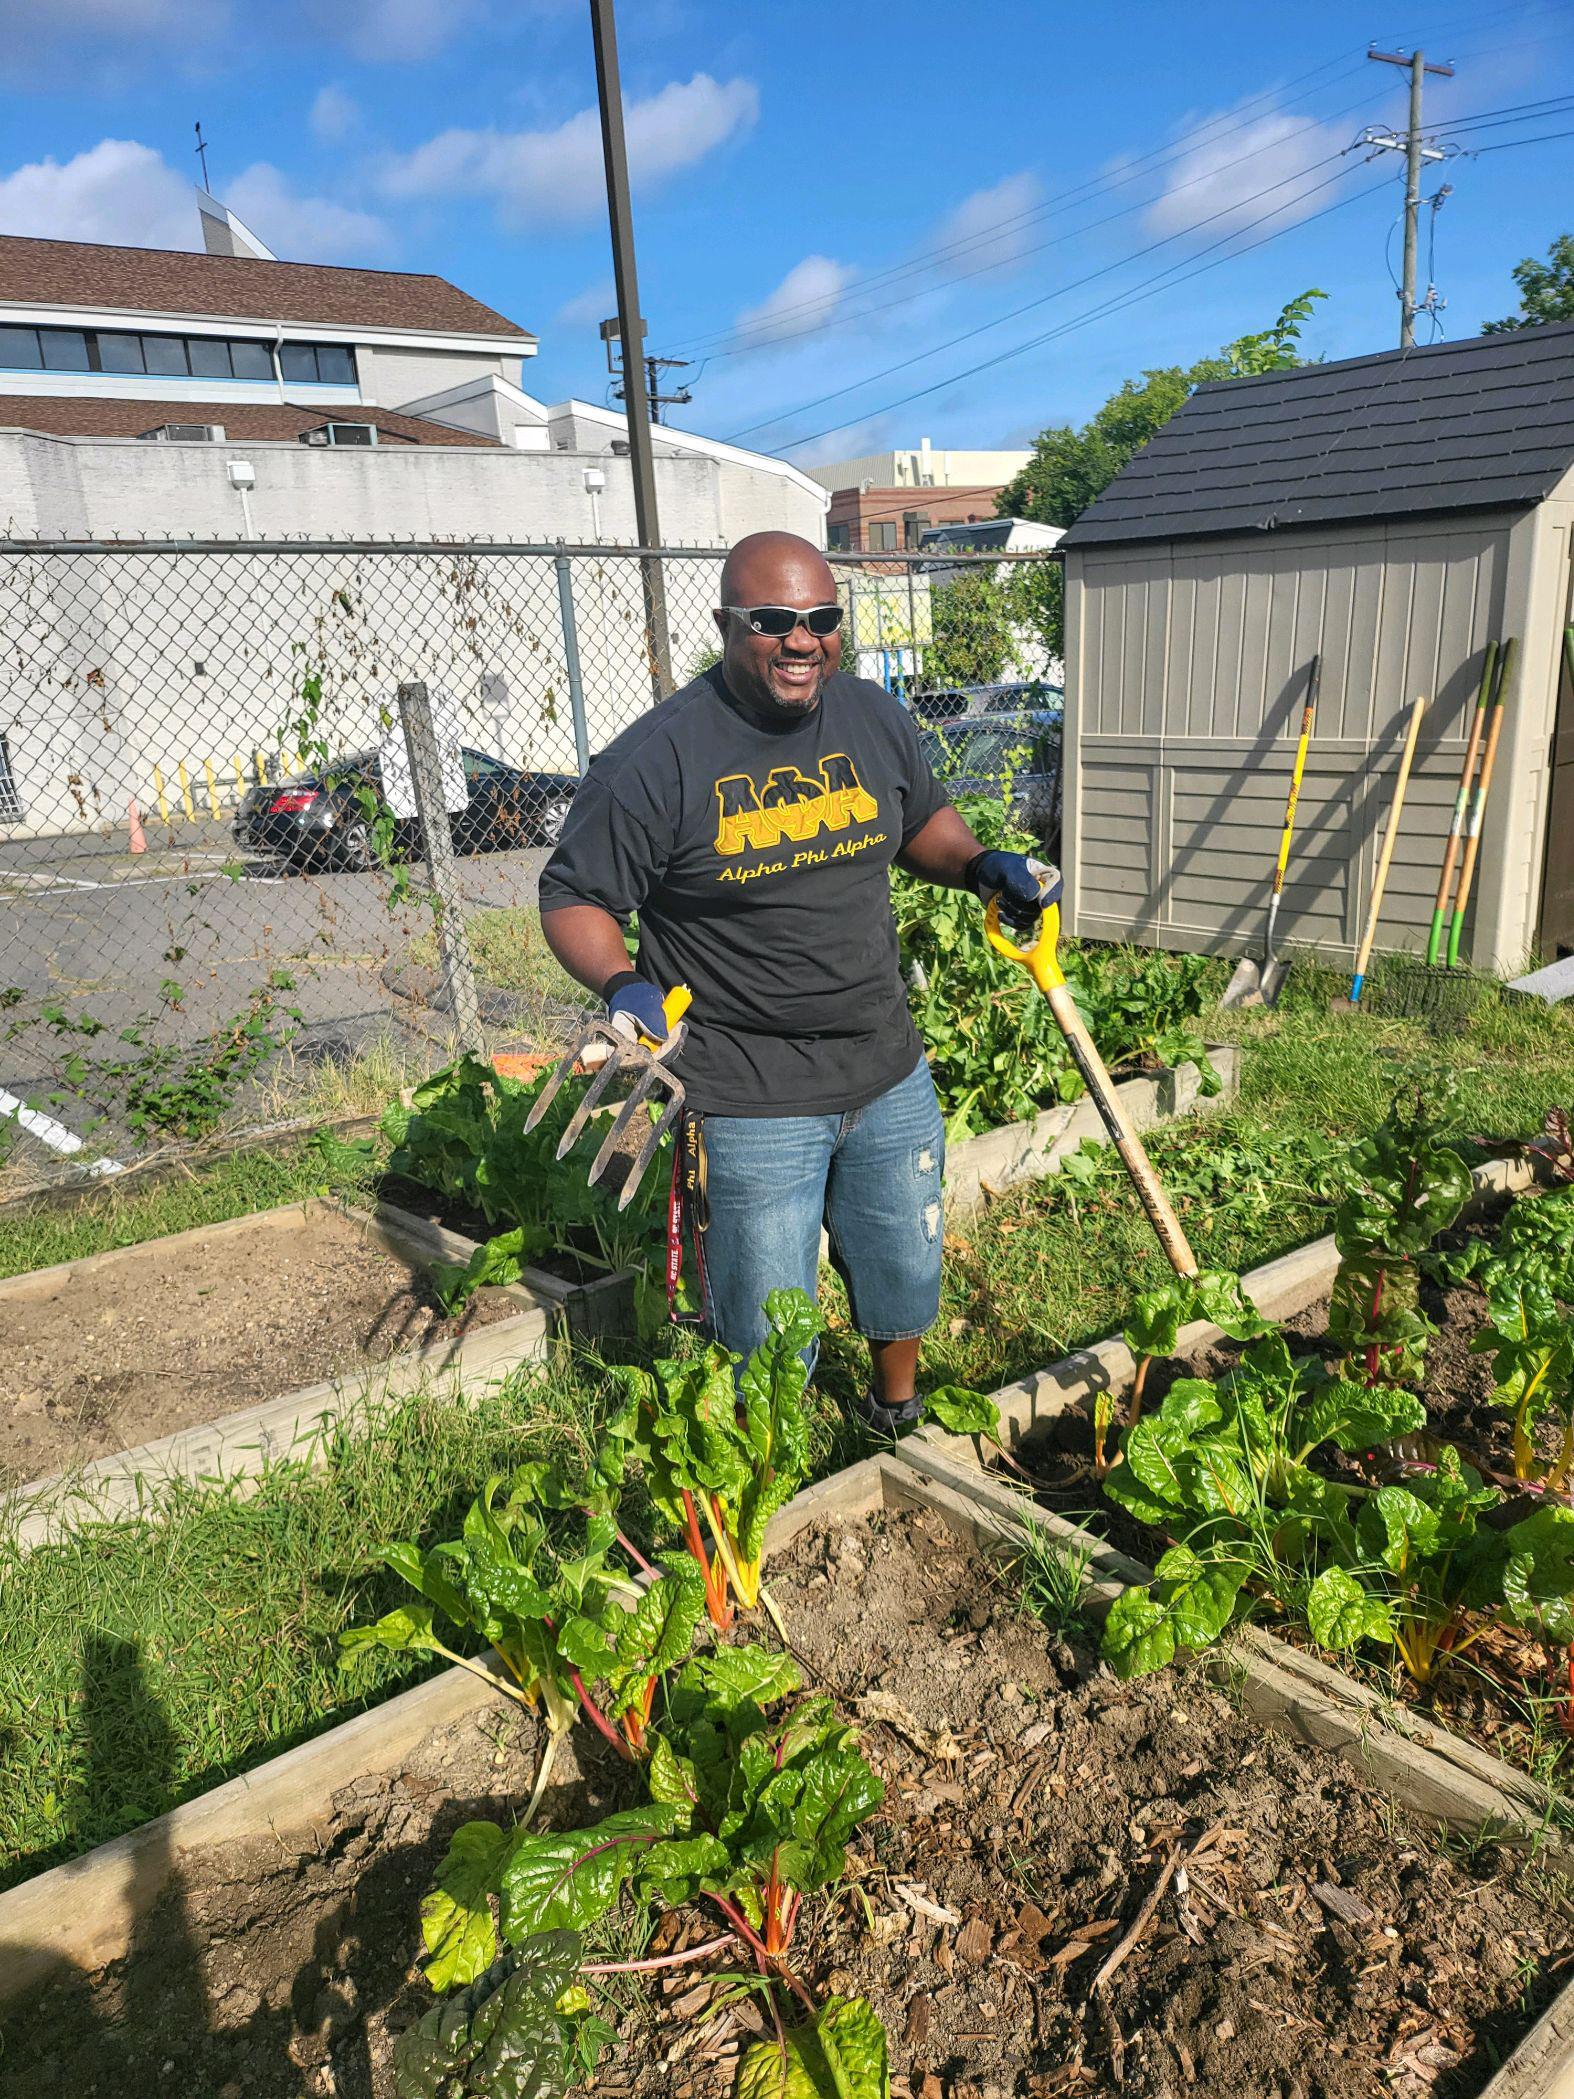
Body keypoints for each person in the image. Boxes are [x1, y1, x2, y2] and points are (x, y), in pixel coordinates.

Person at [536, 530, 1042, 1432]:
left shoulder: (871, 717)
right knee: (765, 1322)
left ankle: (895, 1411)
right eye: (772, 620)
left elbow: (920, 818)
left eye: (820, 618)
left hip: (884, 1061)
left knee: (903, 1260)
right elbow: (573, 894)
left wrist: (976, 863)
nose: (801, 639)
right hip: (749, 1089)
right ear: (727, 624)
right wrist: (622, 982)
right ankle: (767, 1463)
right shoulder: (660, 758)